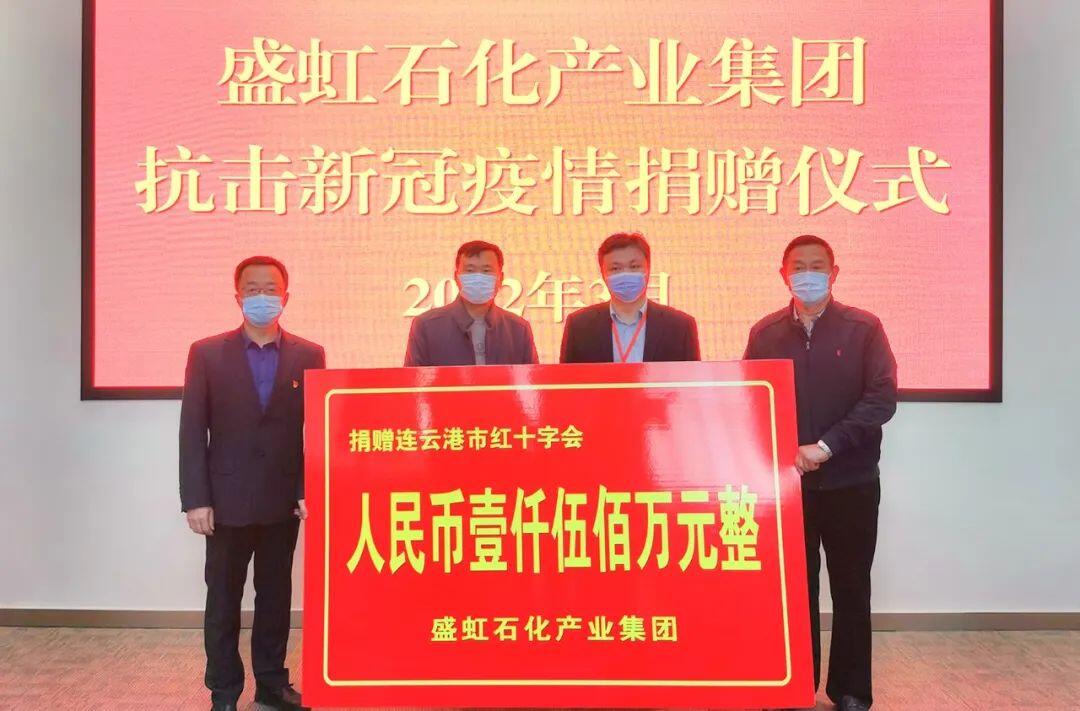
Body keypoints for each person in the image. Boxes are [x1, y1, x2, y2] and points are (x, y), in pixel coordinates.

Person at [743, 235, 897, 711]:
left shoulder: (863, 328)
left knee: (851, 587)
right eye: (798, 266)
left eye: (816, 266)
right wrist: (785, 449)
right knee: (795, 589)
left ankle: (850, 689)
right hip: (789, 486)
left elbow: (881, 399)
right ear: (783, 274)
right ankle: (798, 684)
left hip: (852, 480)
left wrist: (827, 446)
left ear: (834, 273)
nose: (806, 274)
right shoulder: (765, 333)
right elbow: (751, 400)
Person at [180, 256, 325, 711]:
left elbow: (315, 431)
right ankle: (223, 691)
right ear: (237, 296)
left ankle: (271, 684)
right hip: (225, 501)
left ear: (286, 296)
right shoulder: (207, 353)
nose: (262, 297)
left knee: (275, 598)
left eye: (271, 289)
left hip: (282, 501)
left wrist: (307, 488)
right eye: (252, 289)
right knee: (223, 601)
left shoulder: (309, 354)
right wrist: (196, 499)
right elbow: (192, 429)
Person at [560, 231, 700, 363]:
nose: (625, 274)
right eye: (615, 268)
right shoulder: (579, 326)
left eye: (634, 267)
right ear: (603, 274)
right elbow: (565, 379)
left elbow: (693, 379)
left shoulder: (680, 326)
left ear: (648, 269)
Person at [404, 240, 539, 366]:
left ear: (501, 278)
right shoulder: (426, 326)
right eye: (470, 270)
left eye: (486, 271)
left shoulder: (518, 329)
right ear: (456, 277)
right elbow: (412, 381)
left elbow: (534, 380)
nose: (478, 278)